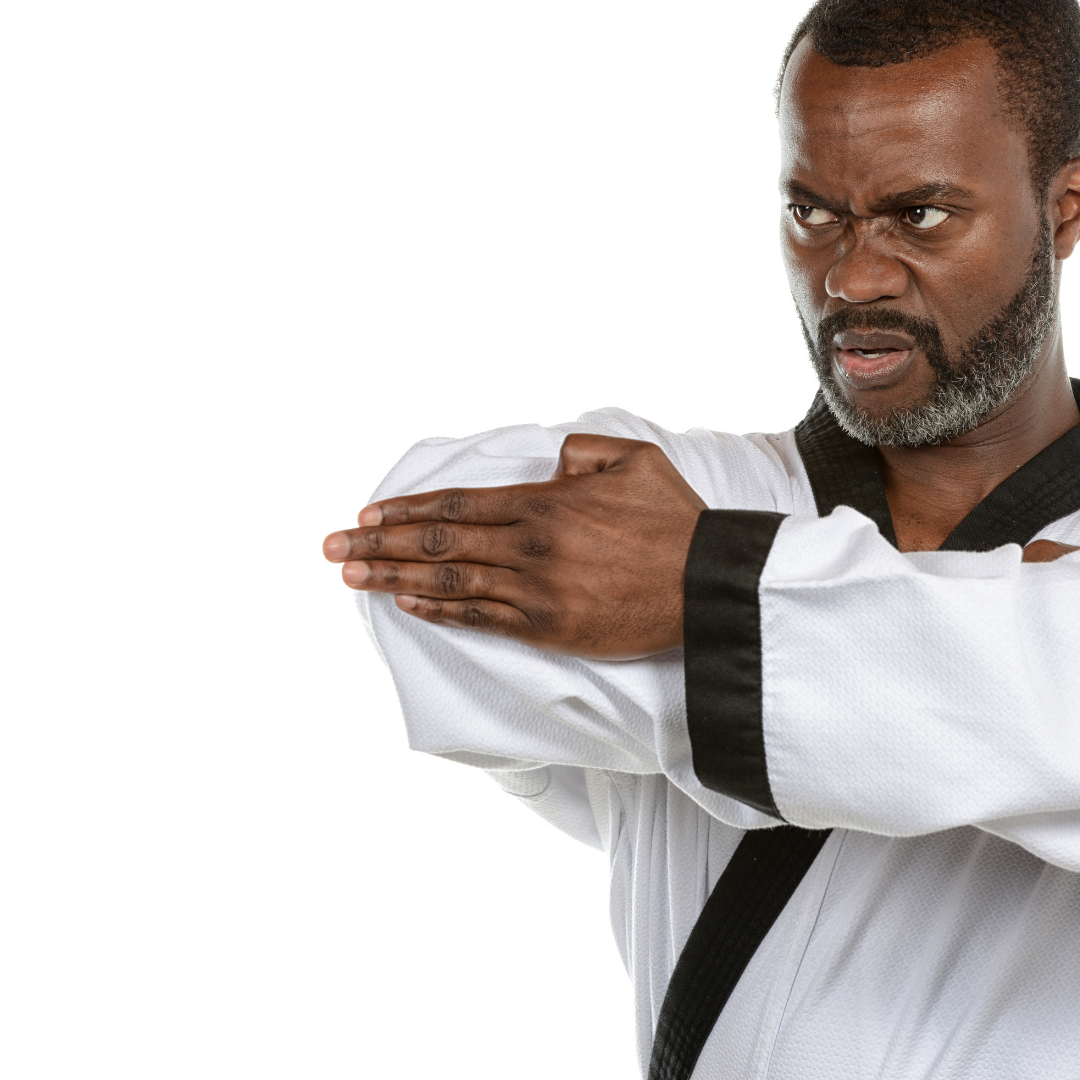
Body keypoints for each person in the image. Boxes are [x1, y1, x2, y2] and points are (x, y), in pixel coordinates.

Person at [325, 2, 1080, 1075]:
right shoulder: (693, 490)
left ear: (1063, 208)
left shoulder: (682, 532)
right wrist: (1005, 641)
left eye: (919, 216)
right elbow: (417, 578)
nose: (852, 278)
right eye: (813, 213)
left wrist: (697, 587)